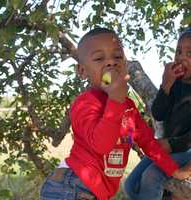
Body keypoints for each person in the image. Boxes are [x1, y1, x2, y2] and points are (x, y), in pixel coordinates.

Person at [39, 27, 191, 200]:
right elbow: (101, 144)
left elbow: (149, 143)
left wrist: (175, 170)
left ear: (125, 64)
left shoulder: (128, 107)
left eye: (117, 57)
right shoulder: (86, 104)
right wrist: (115, 100)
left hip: (91, 191)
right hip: (70, 186)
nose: (111, 63)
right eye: (99, 58)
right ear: (82, 71)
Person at [124, 27, 191, 200]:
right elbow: (159, 113)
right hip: (170, 148)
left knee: (151, 176)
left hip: (187, 152)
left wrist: (171, 145)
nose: (181, 57)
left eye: (189, 54)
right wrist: (166, 85)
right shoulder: (175, 83)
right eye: (178, 51)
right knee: (131, 185)